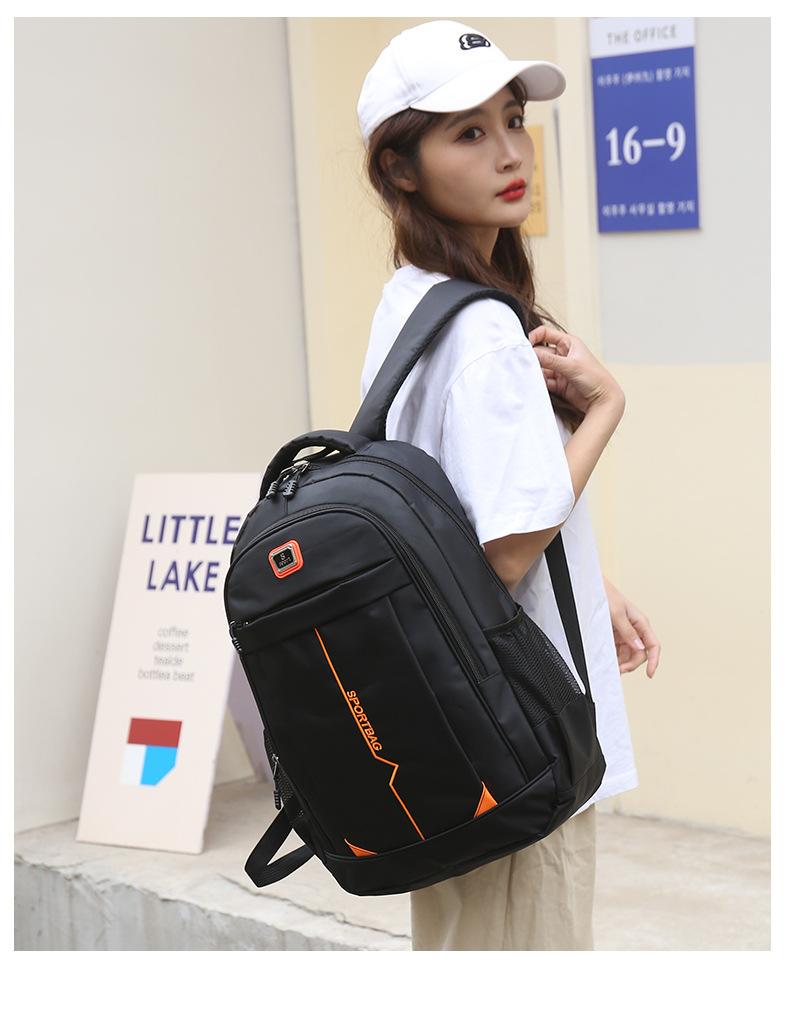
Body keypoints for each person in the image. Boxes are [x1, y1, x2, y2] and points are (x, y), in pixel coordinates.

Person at [355, 20, 661, 951]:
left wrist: (585, 579)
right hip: (524, 737)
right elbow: (506, 549)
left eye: (514, 120)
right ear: (400, 167)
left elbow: (455, 511)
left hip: (458, 730)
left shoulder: (413, 299)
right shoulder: (483, 330)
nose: (511, 153)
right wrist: (605, 407)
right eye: (469, 132)